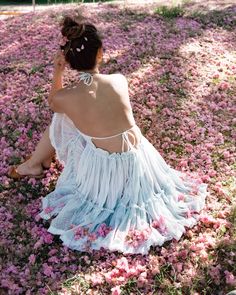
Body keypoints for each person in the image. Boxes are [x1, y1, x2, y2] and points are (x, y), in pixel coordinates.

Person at [8, 16, 209, 254]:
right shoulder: (119, 80)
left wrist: (57, 72)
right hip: (140, 163)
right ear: (100, 53)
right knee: (68, 113)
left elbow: (54, 101)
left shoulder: (67, 97)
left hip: (108, 173)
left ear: (69, 61)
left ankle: (34, 163)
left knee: (62, 115)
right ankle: (34, 163)